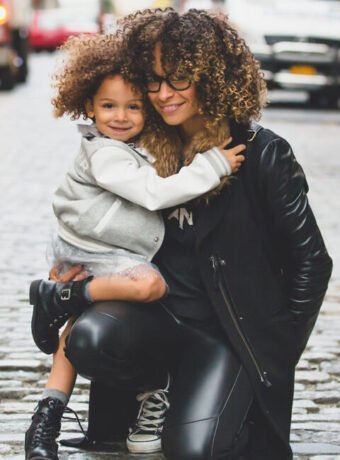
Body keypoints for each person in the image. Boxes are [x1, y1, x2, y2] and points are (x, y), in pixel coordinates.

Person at [29, 8, 332, 460]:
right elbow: (97, 211)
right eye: (153, 80)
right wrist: (78, 263)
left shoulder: (262, 154)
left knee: (196, 451)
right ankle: (153, 392)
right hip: (160, 321)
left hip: (227, 336)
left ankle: (217, 399)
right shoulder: (142, 146)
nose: (163, 94)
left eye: (178, 79)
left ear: (210, 76)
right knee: (89, 338)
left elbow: (313, 262)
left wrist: (275, 354)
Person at [24, 32, 246, 460]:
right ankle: (60, 296)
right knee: (149, 286)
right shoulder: (106, 153)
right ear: (89, 106)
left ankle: (46, 417)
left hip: (92, 249)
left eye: (133, 106)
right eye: (109, 106)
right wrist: (214, 164)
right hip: (97, 251)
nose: (121, 116)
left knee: (75, 329)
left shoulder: (130, 146)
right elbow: (152, 194)